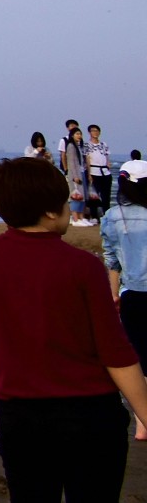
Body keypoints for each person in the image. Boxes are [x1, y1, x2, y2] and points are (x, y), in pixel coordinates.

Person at [0, 155, 147, 496]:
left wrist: (11, 387)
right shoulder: (83, 266)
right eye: (65, 202)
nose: (68, 207)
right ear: (50, 212)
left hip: (18, 414)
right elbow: (115, 351)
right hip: (89, 415)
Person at [103, 160, 147, 443]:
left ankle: (142, 424)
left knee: (139, 358)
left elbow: (112, 262)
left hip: (132, 295)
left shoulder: (112, 215)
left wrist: (113, 294)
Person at [65, 123, 92, 227]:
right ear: (72, 135)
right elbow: (71, 162)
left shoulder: (78, 146)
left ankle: (81, 217)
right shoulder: (71, 146)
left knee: (83, 196)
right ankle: (75, 218)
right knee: (76, 196)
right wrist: (75, 176)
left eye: (80, 134)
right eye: (77, 134)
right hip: (75, 174)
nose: (79, 136)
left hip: (81, 173)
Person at [86, 125, 113, 220]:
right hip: (94, 171)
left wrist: (108, 165)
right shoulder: (87, 145)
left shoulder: (104, 144)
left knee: (106, 195)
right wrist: (89, 174)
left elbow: (107, 157)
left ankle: (107, 215)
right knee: (94, 195)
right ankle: (94, 216)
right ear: (89, 132)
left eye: (97, 131)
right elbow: (87, 159)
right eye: (93, 131)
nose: (95, 132)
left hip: (105, 172)